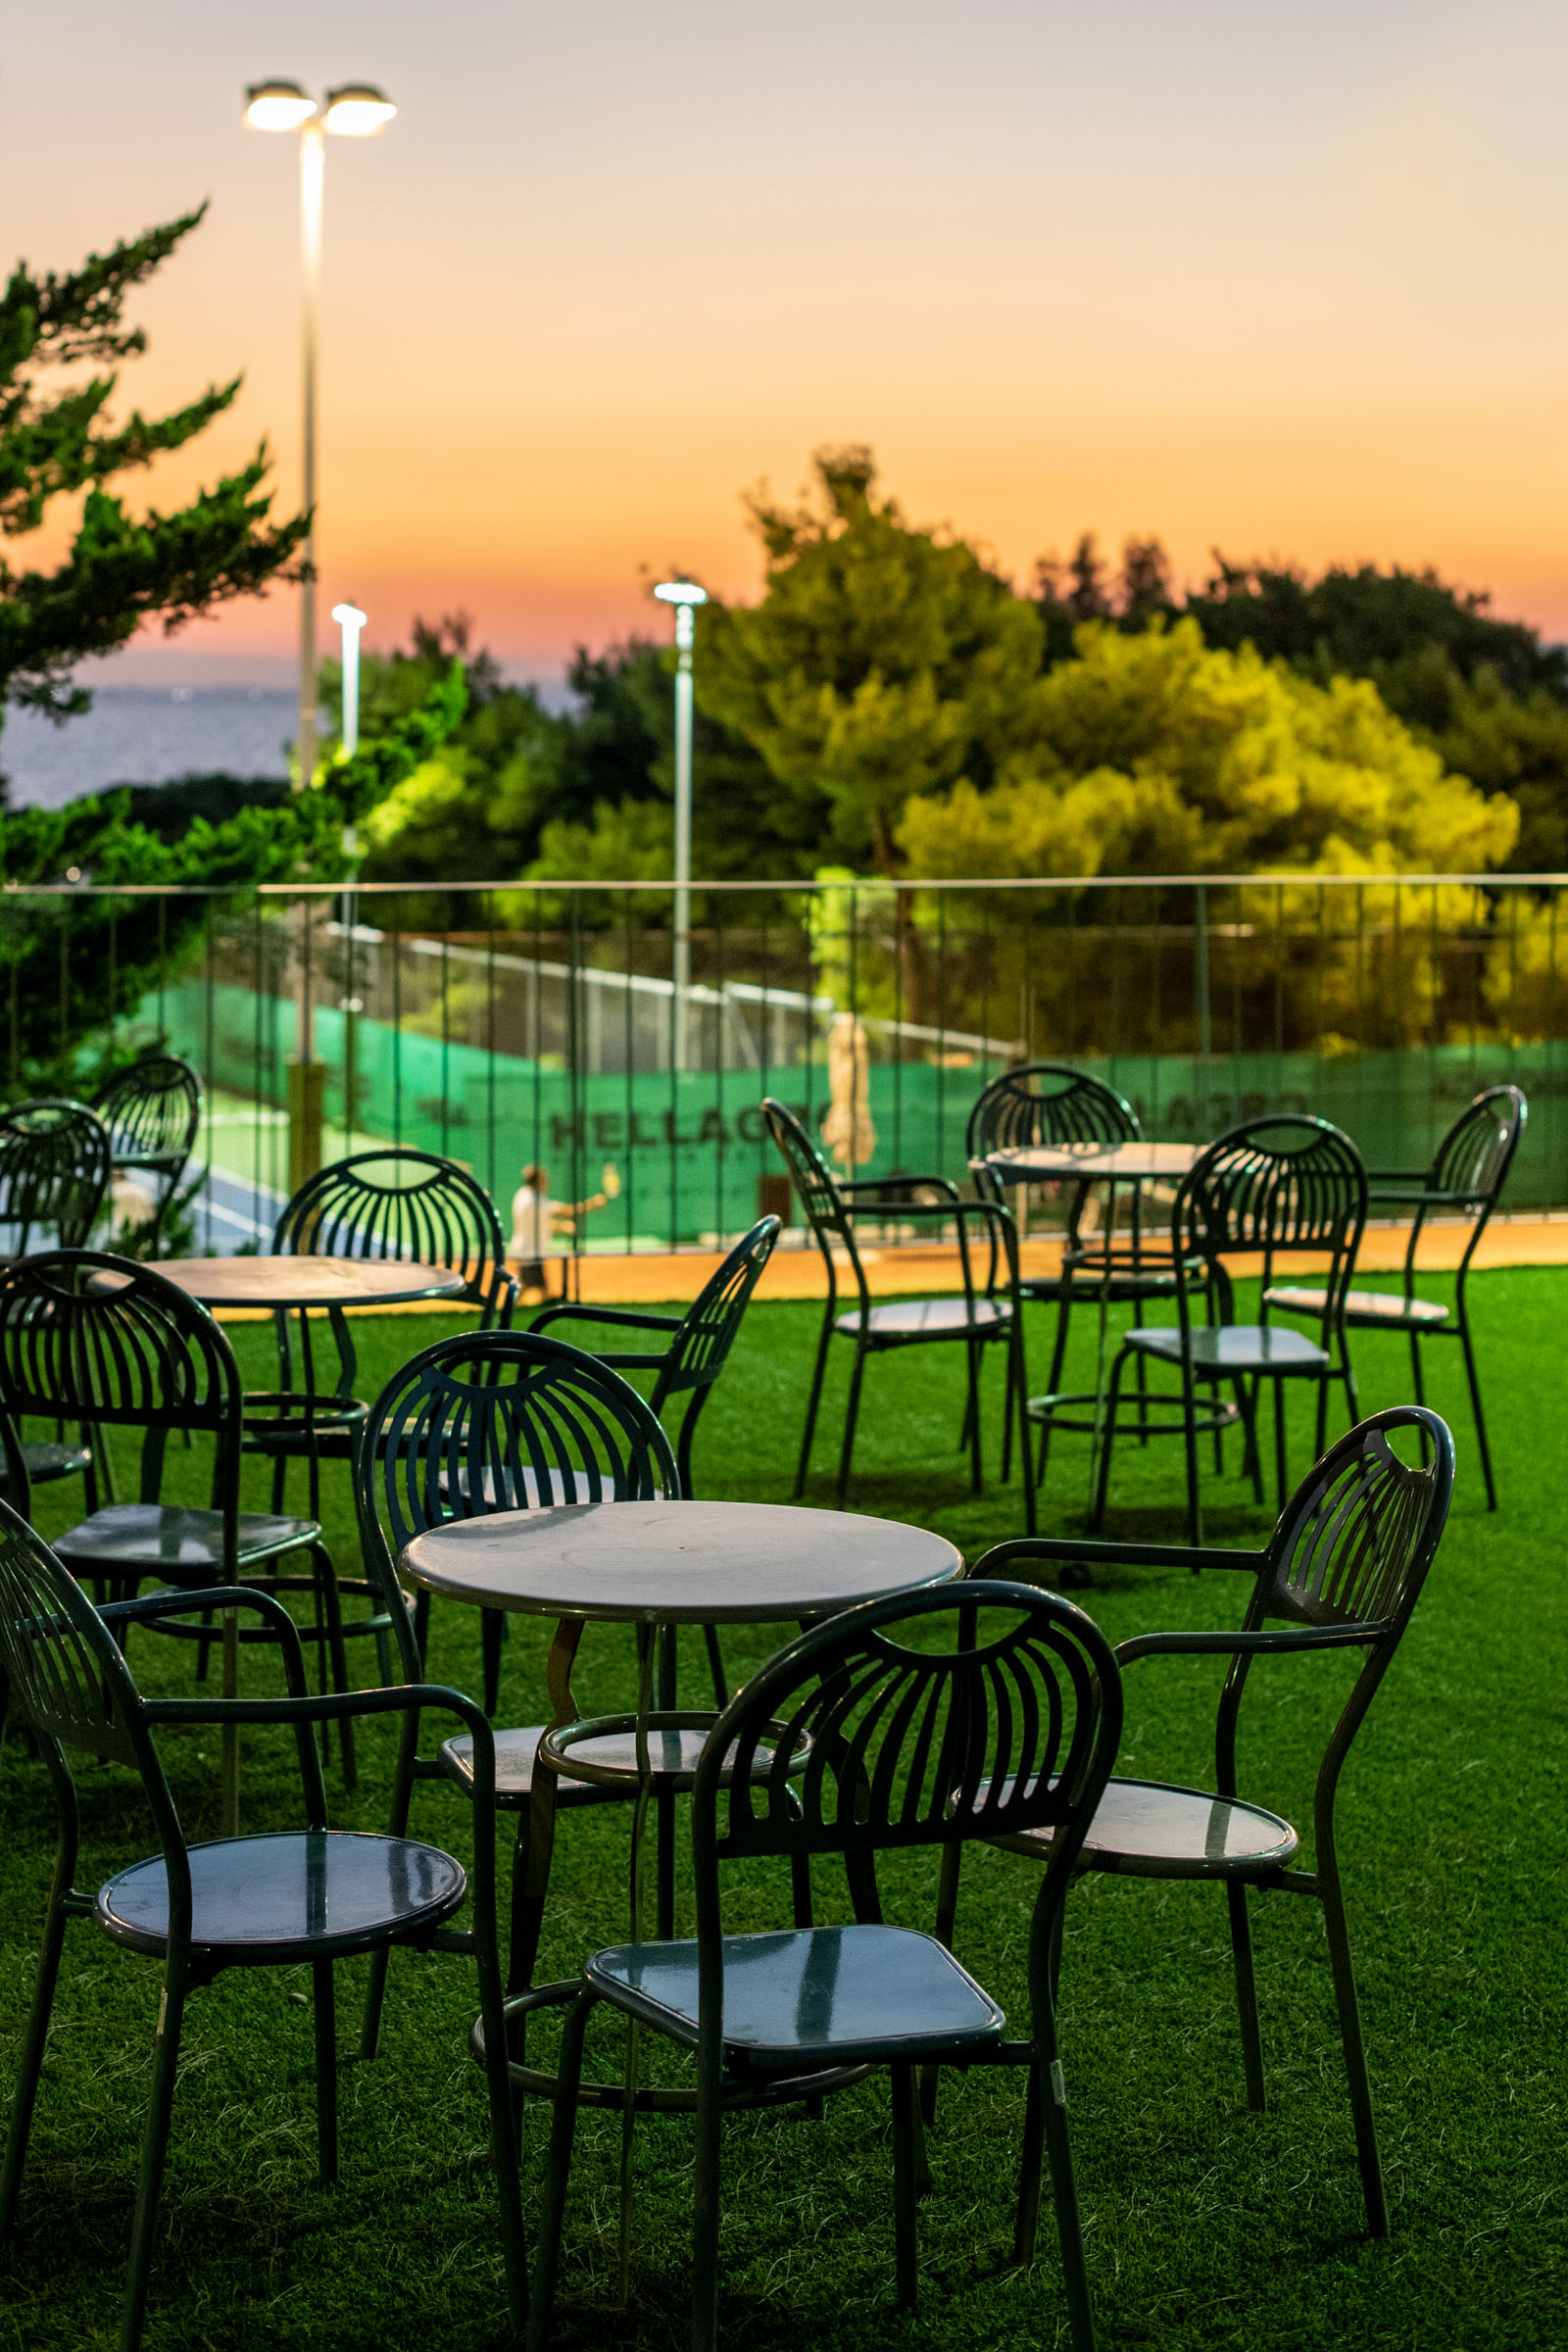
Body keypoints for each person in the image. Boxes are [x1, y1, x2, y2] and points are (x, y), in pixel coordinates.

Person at [509, 1161, 620, 1298]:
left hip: (524, 1250)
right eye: (544, 1180)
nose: (546, 1183)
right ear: (538, 1181)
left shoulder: (522, 1195)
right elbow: (571, 1212)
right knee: (543, 1292)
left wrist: (561, 1227)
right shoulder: (535, 1200)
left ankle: (508, 1311)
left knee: (524, 1286)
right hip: (530, 1253)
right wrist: (594, 1203)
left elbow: (538, 1223)